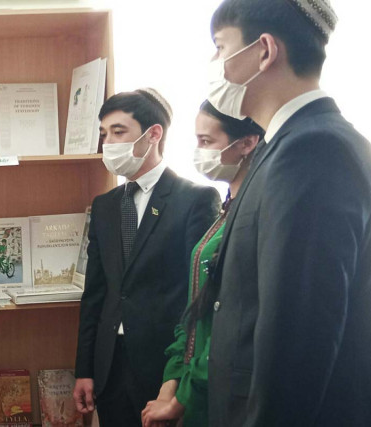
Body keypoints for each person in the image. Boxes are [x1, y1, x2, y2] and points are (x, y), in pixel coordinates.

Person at [205, 1, 371, 426]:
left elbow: (299, 335)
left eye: (220, 47)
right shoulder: (283, 144)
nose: (214, 63)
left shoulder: (314, 149)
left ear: (264, 51)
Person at [73, 88, 221, 426]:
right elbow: (95, 292)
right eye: (104, 134)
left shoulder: (194, 200)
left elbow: (199, 295)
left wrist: (181, 374)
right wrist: (85, 369)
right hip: (109, 366)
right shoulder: (105, 206)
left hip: (164, 367)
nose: (108, 143)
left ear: (153, 134)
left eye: (118, 132)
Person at [141, 100, 263, 427]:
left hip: (219, 387)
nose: (199, 151)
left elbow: (231, 323)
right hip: (195, 385)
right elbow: (196, 309)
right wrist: (171, 383)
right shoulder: (229, 208)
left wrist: (182, 398)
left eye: (207, 141)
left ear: (247, 143)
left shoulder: (255, 214)